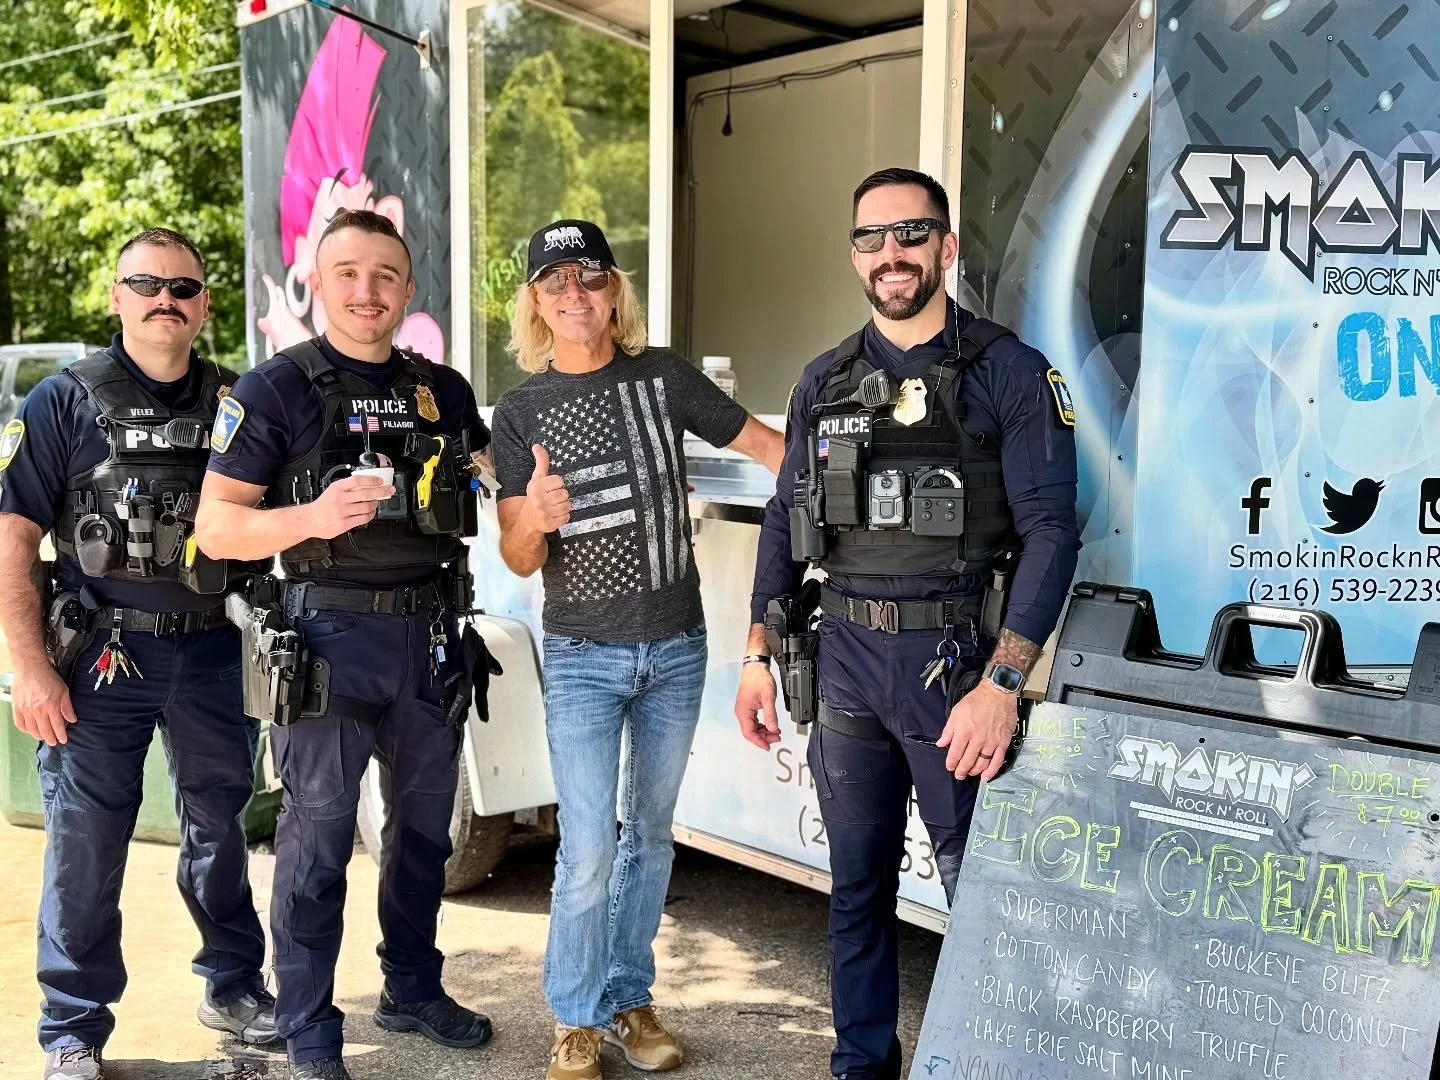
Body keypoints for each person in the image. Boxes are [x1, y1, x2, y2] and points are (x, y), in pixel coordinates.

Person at [734, 168, 1081, 1080]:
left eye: (911, 233)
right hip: (843, 660)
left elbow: (1051, 529)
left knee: (981, 894)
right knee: (855, 889)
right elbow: (784, 517)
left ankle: (995, 1062)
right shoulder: (827, 378)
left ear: (946, 246)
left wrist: (1002, 684)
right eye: (872, 238)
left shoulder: (1011, 371)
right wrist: (757, 653)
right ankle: (861, 1064)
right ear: (855, 254)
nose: (892, 254)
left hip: (954, 665)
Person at [195, 209, 493, 1080]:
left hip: (432, 635)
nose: (368, 291)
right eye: (349, 273)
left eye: (386, 275)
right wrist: (314, 518)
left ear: (408, 288)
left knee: (424, 833)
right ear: (317, 282)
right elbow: (215, 529)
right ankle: (309, 1028)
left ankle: (409, 986)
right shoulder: (271, 389)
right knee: (319, 839)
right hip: (326, 640)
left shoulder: (442, 388)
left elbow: (489, 477)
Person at [490, 219, 783, 1080]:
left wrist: (844, 481)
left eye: (589, 277)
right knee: (585, 848)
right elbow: (516, 554)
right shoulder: (520, 410)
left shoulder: (665, 379)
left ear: (614, 290)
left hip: (677, 648)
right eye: (555, 283)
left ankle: (627, 998)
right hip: (583, 654)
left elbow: (770, 449)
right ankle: (574, 1018)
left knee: (649, 836)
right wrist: (534, 520)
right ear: (536, 304)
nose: (574, 294)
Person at [0, 228, 277, 1080]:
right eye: (147, 283)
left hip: (213, 652)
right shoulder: (62, 402)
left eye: (184, 287)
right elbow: (12, 534)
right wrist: (29, 667)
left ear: (204, 303)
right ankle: (72, 1031)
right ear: (117, 296)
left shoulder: (241, 400)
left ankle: (233, 985)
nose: (167, 299)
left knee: (220, 829)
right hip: (97, 657)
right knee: (85, 843)